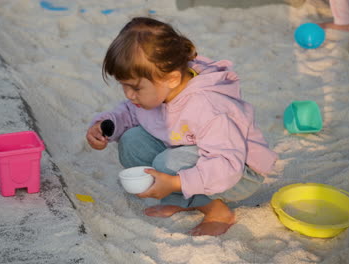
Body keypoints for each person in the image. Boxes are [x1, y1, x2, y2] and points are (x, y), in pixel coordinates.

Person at [86, 17, 278, 236]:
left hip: (238, 171)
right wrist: (104, 127)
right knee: (131, 142)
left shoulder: (208, 106)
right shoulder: (159, 86)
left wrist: (175, 182)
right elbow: (130, 111)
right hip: (193, 154)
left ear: (172, 79)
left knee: (168, 162)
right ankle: (183, 199)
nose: (129, 95)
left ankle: (217, 211)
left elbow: (226, 165)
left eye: (136, 88)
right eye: (124, 86)